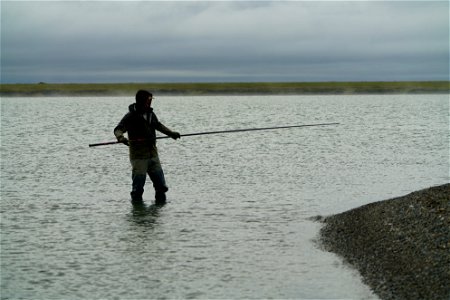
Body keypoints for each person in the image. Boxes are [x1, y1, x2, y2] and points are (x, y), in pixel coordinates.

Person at [114, 90, 180, 205]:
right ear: (142, 101)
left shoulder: (150, 114)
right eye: (149, 100)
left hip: (153, 155)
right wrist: (121, 138)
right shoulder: (130, 117)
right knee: (137, 189)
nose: (150, 103)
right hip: (139, 157)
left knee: (161, 187)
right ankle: (138, 212)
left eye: (151, 100)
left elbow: (158, 125)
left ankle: (159, 209)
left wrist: (171, 133)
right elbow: (118, 129)